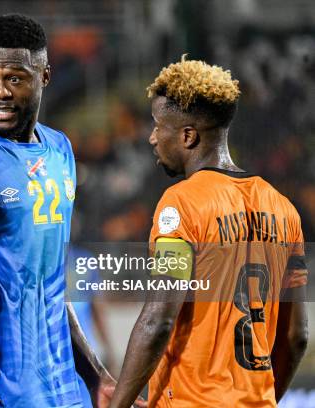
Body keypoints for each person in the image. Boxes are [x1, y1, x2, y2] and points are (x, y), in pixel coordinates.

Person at [0, 14, 144, 408]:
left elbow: (49, 279)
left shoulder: (60, 151)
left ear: (45, 77)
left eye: (15, 79)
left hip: (63, 391)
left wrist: (96, 377)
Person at [109, 56, 309, 407]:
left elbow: (159, 320)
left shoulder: (181, 205)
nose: (152, 138)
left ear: (188, 136)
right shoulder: (284, 209)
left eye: (158, 126)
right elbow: (297, 337)